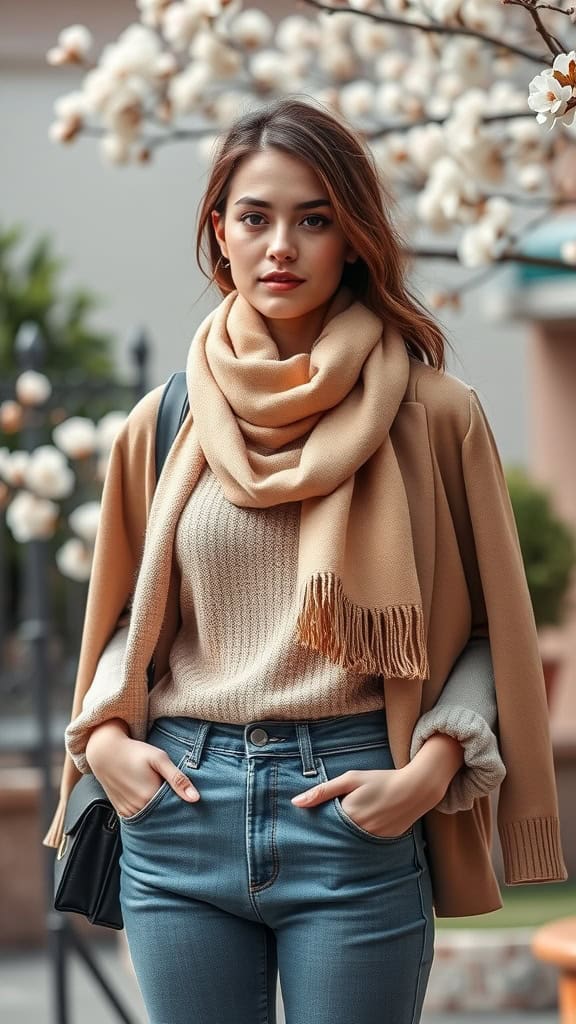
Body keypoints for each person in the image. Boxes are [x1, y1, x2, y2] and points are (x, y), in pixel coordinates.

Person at [43, 98, 566, 1024]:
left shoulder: (437, 414)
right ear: (222, 232)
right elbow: (128, 622)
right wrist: (110, 743)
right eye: (256, 217)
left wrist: (430, 772)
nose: (281, 244)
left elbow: (494, 632)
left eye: (314, 219)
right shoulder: (163, 422)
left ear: (353, 239)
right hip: (180, 807)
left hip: (355, 809)